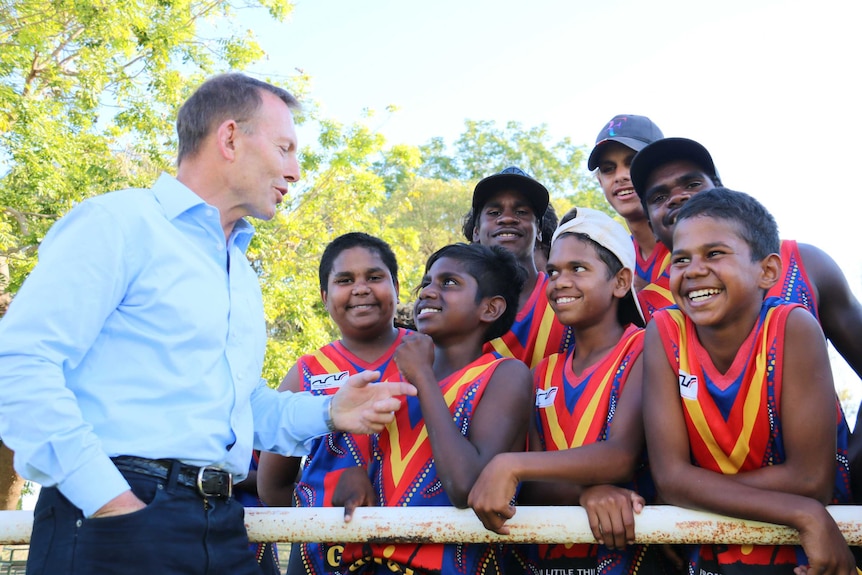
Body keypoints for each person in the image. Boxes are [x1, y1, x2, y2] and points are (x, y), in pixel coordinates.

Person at [0, 73, 416, 575]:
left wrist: (330, 411)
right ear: (230, 137)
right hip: (113, 519)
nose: (296, 170)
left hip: (221, 523)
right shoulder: (119, 223)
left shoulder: (238, 267)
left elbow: (237, 406)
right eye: (285, 147)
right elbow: (20, 363)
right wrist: (109, 500)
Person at [629, 136, 862, 512]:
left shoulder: (804, 264)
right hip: (712, 541)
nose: (674, 198)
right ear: (652, 226)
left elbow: (810, 479)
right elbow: (666, 470)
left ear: (719, 189)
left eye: (691, 183)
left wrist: (851, 459)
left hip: (822, 516)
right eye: (658, 197)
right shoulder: (653, 311)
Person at [642, 187, 854, 573]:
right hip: (714, 551)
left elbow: (811, 479)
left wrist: (697, 488)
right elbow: (670, 478)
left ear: (768, 271)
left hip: (808, 556)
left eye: (715, 253)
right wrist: (801, 511)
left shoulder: (793, 327)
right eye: (681, 259)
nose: (693, 270)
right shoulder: (663, 331)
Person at [468, 207, 674, 574]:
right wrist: (586, 493)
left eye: (578, 269)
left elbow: (621, 457)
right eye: (553, 272)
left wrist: (511, 464)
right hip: (545, 560)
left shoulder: (644, 348)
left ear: (621, 282)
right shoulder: (544, 370)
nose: (559, 282)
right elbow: (529, 489)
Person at [335, 243, 534, 575]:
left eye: (449, 283)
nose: (427, 292)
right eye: (426, 282)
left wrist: (423, 377)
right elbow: (359, 463)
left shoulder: (505, 375)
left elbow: (466, 486)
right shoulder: (390, 378)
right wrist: (350, 476)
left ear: (490, 308)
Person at [257, 232, 410, 575]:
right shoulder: (305, 373)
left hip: (418, 545)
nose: (360, 288)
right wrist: (323, 515)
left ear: (396, 285)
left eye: (374, 277)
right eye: (345, 280)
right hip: (322, 556)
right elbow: (272, 484)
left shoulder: (431, 356)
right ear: (325, 297)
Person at [466, 166, 574, 368]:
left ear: (539, 230)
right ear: (476, 231)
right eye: (494, 212)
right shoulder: (458, 304)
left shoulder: (567, 295)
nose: (507, 218)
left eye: (521, 212)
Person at [587, 114, 666, 289]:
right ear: (600, 181)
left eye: (633, 163)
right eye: (608, 169)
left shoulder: (692, 240)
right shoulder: (615, 259)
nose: (620, 176)